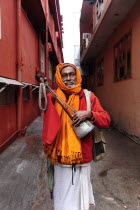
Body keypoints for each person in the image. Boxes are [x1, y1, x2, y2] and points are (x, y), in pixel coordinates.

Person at [42, 63, 111, 210]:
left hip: (82, 158)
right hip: (60, 160)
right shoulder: (52, 97)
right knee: (63, 201)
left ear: (77, 75)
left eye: (71, 74)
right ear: (59, 78)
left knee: (80, 202)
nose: (68, 78)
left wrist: (89, 113)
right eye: (64, 75)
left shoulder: (88, 97)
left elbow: (106, 120)